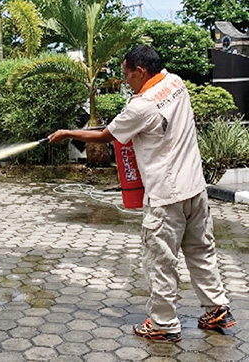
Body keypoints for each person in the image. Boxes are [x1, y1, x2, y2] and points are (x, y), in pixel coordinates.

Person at [47, 45, 236, 342]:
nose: (126, 81)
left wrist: (68, 133)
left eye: (127, 75)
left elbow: (106, 135)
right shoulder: (175, 83)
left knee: (160, 261)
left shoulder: (141, 105)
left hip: (165, 196)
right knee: (201, 252)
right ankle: (217, 308)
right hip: (196, 190)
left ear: (140, 71)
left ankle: (163, 324)